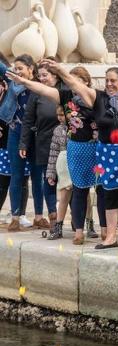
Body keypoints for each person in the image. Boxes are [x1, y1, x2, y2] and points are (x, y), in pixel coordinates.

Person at [44, 61, 118, 249]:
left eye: (113, 80)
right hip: (106, 154)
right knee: (109, 194)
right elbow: (76, 86)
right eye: (107, 80)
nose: (109, 84)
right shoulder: (100, 99)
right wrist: (60, 70)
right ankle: (110, 237)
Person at [7, 66, 107, 244]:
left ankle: (105, 230)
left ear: (85, 83)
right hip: (76, 148)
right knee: (78, 190)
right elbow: (43, 89)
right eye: (69, 82)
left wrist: (61, 71)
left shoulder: (95, 96)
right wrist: (24, 82)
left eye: (74, 81)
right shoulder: (67, 97)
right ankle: (78, 231)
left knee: (101, 190)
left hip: (97, 149)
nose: (71, 85)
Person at [19, 60, 60, 231]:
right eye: (40, 75)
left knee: (67, 182)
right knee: (48, 180)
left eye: (45, 75)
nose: (41, 79)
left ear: (55, 76)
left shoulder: (63, 91)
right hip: (44, 142)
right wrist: (23, 143)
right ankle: (53, 217)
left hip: (66, 143)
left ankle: (75, 221)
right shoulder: (36, 93)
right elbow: (28, 120)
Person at [0, 54, 32, 231]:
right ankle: (14, 216)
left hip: (31, 135)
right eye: (15, 68)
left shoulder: (36, 85)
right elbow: (1, 68)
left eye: (21, 68)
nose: (17, 71)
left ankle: (27, 215)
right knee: (15, 174)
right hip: (14, 131)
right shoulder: (12, 80)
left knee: (30, 176)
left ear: (30, 70)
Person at [45, 105, 71, 240]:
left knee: (84, 198)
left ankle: (88, 224)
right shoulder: (57, 130)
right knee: (63, 197)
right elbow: (53, 153)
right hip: (64, 167)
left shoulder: (79, 127)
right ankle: (58, 227)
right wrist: (51, 173)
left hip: (78, 163)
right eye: (58, 115)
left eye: (62, 115)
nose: (60, 118)